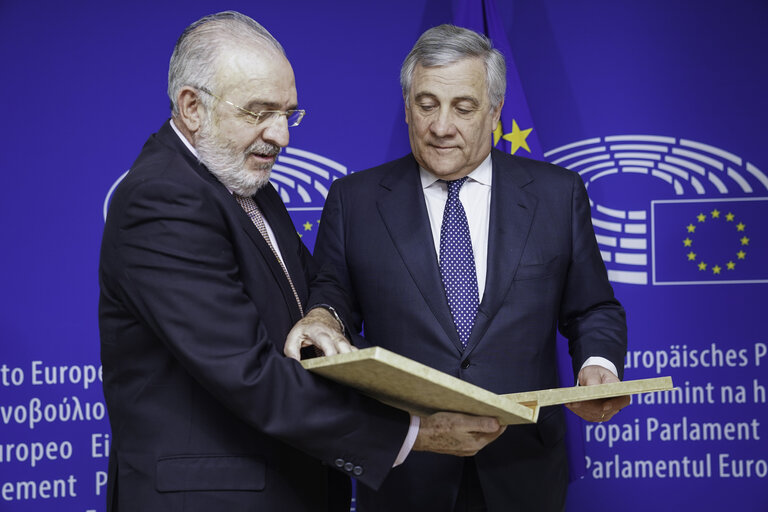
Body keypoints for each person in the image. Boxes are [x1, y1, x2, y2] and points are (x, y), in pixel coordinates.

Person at [98, 13, 505, 512]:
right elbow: (249, 375)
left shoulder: (246, 183)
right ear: (191, 107)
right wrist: (416, 432)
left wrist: (321, 316)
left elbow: (314, 291)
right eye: (259, 112)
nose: (282, 136)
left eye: (288, 113)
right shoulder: (162, 199)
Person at [286, 24, 630, 511]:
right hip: (407, 471)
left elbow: (593, 307)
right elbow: (332, 296)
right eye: (426, 105)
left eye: (463, 107)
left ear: (494, 113)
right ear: (407, 108)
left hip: (523, 471)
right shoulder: (354, 200)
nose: (441, 126)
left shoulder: (558, 194)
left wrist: (598, 366)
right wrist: (322, 314)